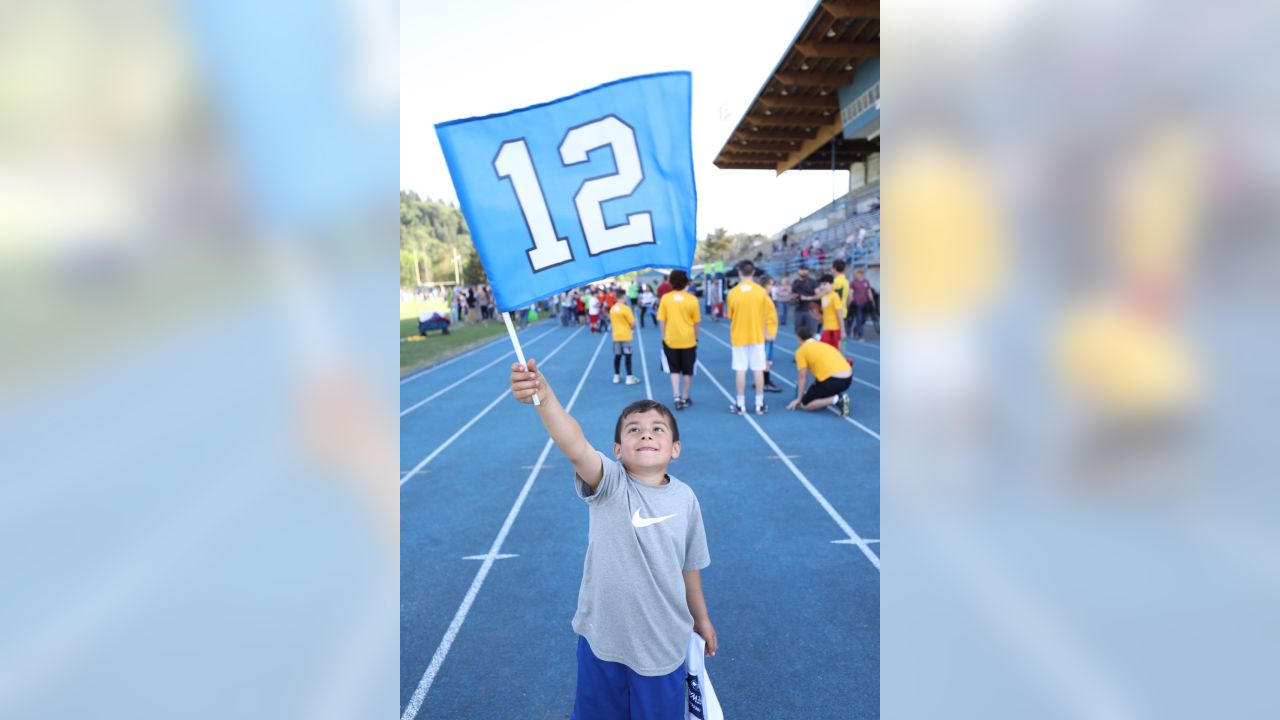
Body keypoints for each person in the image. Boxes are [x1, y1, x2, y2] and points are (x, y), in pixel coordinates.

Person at [508, 369, 715, 719]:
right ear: (617, 450)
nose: (646, 434)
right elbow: (573, 445)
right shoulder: (611, 484)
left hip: (662, 644)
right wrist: (543, 397)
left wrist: (702, 619)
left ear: (675, 448)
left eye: (657, 429)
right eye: (634, 429)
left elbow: (689, 567)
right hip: (602, 642)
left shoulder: (687, 499)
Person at [725, 260, 777, 415]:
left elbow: (731, 315)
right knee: (758, 369)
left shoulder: (733, 293)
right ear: (753, 272)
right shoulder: (761, 292)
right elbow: (770, 313)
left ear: (739, 272)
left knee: (740, 370)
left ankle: (740, 405)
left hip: (739, 336)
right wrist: (770, 333)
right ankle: (759, 404)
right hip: (757, 336)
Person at [656, 269, 700, 410]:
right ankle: (686, 397)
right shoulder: (692, 299)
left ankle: (676, 396)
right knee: (688, 370)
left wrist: (663, 336)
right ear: (686, 282)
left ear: (671, 282)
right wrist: (696, 338)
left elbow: (661, 320)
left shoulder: (666, 299)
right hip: (688, 340)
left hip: (671, 340)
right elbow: (696, 322)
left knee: (674, 369)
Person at [786, 326, 853, 416]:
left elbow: (802, 377)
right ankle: (832, 396)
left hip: (834, 381)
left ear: (798, 338)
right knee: (819, 387)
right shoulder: (823, 344)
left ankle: (837, 399)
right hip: (848, 379)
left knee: (805, 404)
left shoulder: (801, 351)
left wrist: (799, 398)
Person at [759, 276, 783, 393]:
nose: (773, 287)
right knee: (766, 359)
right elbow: (761, 316)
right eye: (772, 284)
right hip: (767, 333)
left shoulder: (766, 296)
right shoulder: (763, 297)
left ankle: (760, 380)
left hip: (769, 331)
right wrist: (765, 333)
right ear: (766, 284)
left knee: (765, 358)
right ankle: (765, 382)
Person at [610, 300, 640, 385]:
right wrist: (631, 328)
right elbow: (633, 323)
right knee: (628, 356)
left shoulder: (612, 308)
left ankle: (616, 376)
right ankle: (629, 377)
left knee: (617, 356)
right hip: (626, 336)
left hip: (616, 336)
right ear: (623, 297)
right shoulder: (626, 308)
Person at [817, 273, 846, 350]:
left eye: (825, 284)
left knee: (833, 353)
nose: (822, 286)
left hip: (834, 330)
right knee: (824, 352)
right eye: (821, 284)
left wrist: (842, 331)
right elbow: (824, 314)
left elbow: (840, 315)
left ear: (832, 284)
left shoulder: (835, 296)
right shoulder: (823, 297)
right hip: (825, 329)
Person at [790, 265, 820, 335]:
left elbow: (818, 295)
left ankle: (811, 346)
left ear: (808, 271)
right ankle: (802, 346)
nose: (803, 271)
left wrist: (807, 298)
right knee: (799, 333)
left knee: (811, 333)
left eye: (805, 269)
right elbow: (792, 294)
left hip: (810, 311)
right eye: (802, 269)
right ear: (798, 270)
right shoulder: (795, 282)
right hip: (798, 310)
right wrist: (793, 297)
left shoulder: (813, 282)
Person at [849, 268, 876, 341]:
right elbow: (851, 293)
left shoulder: (866, 282)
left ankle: (855, 329)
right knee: (859, 318)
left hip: (865, 303)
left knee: (864, 319)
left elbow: (869, 292)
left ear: (860, 274)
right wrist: (850, 301)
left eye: (856, 274)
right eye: (854, 274)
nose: (854, 275)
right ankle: (861, 335)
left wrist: (872, 301)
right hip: (857, 303)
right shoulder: (853, 283)